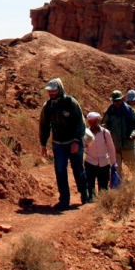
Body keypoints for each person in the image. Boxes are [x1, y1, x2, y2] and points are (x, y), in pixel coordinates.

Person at [38, 77, 86, 209]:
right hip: (58, 143)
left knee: (78, 169)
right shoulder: (48, 106)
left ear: (60, 89)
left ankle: (85, 195)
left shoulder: (71, 102)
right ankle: (64, 200)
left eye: (54, 91)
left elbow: (80, 123)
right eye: (49, 91)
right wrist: (43, 144)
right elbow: (44, 125)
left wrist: (77, 140)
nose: (51, 93)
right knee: (60, 171)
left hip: (73, 142)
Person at [103, 89, 135, 179]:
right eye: (115, 101)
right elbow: (104, 125)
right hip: (115, 146)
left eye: (119, 101)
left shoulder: (129, 110)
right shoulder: (110, 111)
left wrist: (133, 135)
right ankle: (120, 188)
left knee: (134, 169)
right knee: (117, 170)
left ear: (122, 99)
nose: (117, 103)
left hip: (128, 145)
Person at [82, 111, 117, 202]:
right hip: (90, 162)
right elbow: (83, 147)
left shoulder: (106, 133)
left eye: (94, 122)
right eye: (90, 122)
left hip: (104, 162)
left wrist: (114, 163)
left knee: (104, 186)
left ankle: (103, 203)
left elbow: (111, 148)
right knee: (90, 185)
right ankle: (91, 203)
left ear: (98, 121)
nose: (93, 124)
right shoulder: (86, 133)